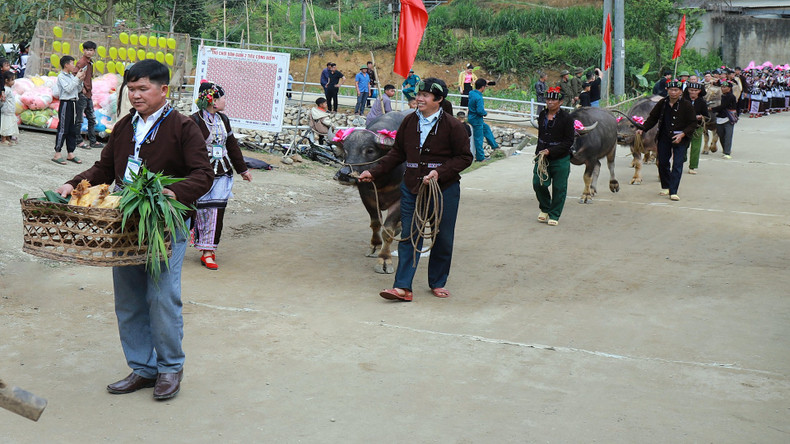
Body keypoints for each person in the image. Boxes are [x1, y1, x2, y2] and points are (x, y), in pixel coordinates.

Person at [55, 59, 214, 400]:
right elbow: (105, 168)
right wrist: (73, 184)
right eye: (132, 89)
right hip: (125, 222)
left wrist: (174, 192)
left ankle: (170, 367)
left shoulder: (185, 128)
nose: (136, 95)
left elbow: (203, 174)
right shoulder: (126, 125)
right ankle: (143, 368)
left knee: (161, 295)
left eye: (144, 89)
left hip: (164, 223)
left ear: (163, 90)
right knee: (128, 298)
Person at [357, 78, 472, 302]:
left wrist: (440, 172)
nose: (419, 98)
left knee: (442, 236)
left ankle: (437, 282)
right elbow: (397, 154)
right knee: (409, 235)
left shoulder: (453, 126)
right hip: (411, 188)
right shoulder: (409, 122)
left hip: (443, 189)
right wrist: (375, 171)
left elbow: (465, 157)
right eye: (419, 94)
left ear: (438, 100)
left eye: (426, 95)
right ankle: (402, 287)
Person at [190, 81, 252, 270]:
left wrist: (243, 169)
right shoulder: (194, 121)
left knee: (217, 209)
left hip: (222, 171)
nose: (225, 101)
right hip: (201, 173)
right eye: (222, 97)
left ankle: (208, 251)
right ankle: (199, 243)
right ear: (213, 101)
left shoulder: (223, 120)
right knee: (201, 209)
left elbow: (232, 146)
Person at [636, 79, 697, 201]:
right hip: (664, 137)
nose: (673, 92)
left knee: (677, 164)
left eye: (676, 90)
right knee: (663, 162)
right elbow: (653, 118)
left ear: (680, 91)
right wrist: (643, 128)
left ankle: (673, 191)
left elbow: (693, 123)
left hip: (680, 138)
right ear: (667, 90)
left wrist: (683, 135)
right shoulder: (662, 103)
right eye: (671, 90)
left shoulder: (686, 105)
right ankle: (666, 186)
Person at [533, 86, 573, 226]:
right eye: (548, 99)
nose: (550, 102)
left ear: (560, 102)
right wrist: (539, 152)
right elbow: (540, 136)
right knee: (538, 183)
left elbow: (569, 141)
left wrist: (551, 151)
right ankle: (545, 208)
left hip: (560, 158)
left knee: (559, 187)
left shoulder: (567, 118)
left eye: (553, 100)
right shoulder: (542, 115)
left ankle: (554, 214)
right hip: (542, 157)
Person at [51, 55, 86, 164]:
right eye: (72, 63)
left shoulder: (71, 76)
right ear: (66, 65)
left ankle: (70, 152)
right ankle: (57, 153)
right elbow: (68, 88)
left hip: (74, 103)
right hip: (66, 103)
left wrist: (80, 80)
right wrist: (76, 78)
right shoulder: (61, 76)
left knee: (73, 129)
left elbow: (78, 89)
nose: (74, 66)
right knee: (63, 128)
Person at [75, 41, 104, 149]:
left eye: (91, 50)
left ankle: (93, 141)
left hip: (88, 94)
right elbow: (75, 75)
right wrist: (81, 87)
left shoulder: (89, 62)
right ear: (83, 50)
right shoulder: (82, 62)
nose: (89, 52)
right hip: (82, 94)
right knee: (79, 119)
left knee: (91, 118)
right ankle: (78, 141)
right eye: (87, 50)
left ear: (94, 51)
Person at [468, 78, 499, 162]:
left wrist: (485, 82)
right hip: (477, 119)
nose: (485, 88)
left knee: (486, 128)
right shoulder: (479, 98)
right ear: (482, 87)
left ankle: (495, 146)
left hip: (471, 117)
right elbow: (480, 111)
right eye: (485, 86)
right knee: (479, 139)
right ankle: (480, 158)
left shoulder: (471, 93)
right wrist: (485, 113)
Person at [685, 81, 709, 174]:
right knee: (682, 146)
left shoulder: (702, 102)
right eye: (691, 90)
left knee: (696, 147)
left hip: (697, 127)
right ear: (688, 90)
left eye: (695, 90)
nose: (693, 92)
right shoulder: (683, 100)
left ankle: (693, 166)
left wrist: (701, 117)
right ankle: (682, 159)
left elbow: (706, 116)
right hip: (684, 127)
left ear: (699, 91)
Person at [711, 80, 737, 159]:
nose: (723, 88)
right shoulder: (720, 96)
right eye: (722, 87)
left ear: (729, 88)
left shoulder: (731, 97)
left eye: (725, 87)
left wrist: (711, 109)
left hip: (728, 118)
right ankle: (725, 149)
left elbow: (723, 106)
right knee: (721, 135)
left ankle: (727, 152)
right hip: (719, 118)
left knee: (728, 135)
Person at [1, 71, 19, 145]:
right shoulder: (6, 89)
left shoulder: (8, 89)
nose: (13, 82)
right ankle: (3, 139)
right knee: (6, 125)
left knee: (9, 125)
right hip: (7, 110)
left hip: (10, 110)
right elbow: (3, 99)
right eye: (12, 80)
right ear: (6, 80)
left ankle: (8, 138)